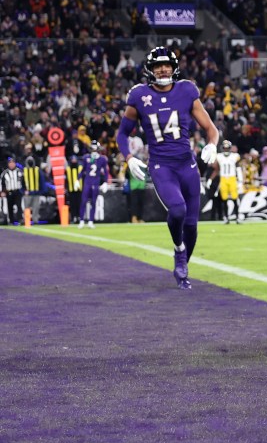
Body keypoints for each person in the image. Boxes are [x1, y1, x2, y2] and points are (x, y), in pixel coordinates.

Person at [118, 46, 220, 290]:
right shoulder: (139, 95)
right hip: (162, 165)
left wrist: (213, 145)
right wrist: (129, 157)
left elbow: (211, 128)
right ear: (150, 69)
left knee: (192, 225)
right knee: (177, 210)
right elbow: (122, 133)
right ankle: (178, 249)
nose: (162, 69)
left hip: (188, 164)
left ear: (174, 68)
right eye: (157, 66)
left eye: (166, 65)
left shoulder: (186, 90)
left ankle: (183, 266)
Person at [79, 141, 109, 228]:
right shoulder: (86, 158)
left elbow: (106, 172)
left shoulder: (102, 159)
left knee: (94, 202)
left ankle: (91, 221)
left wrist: (106, 182)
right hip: (88, 182)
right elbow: (83, 170)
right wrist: (78, 179)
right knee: (83, 201)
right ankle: (81, 220)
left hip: (95, 183)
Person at [211, 141, 241, 224]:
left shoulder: (235, 156)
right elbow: (215, 167)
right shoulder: (219, 156)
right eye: (225, 147)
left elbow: (238, 168)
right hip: (223, 178)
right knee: (224, 199)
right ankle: (226, 217)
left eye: (227, 147)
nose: (226, 149)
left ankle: (237, 217)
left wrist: (240, 180)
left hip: (232, 178)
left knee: (235, 198)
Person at [1, 156, 23, 225]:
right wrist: (3, 191)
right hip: (9, 192)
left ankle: (20, 220)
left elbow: (24, 182)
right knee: (10, 207)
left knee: (19, 206)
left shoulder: (19, 171)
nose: (11, 164)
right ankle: (11, 221)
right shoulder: (5, 173)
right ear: (8, 164)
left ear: (15, 163)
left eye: (13, 163)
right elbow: (2, 183)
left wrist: (24, 189)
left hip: (17, 191)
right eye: (10, 163)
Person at [65, 153, 83, 224]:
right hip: (71, 190)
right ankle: (73, 217)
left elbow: (84, 178)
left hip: (79, 189)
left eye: (75, 159)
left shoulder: (80, 168)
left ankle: (79, 217)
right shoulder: (68, 169)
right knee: (72, 205)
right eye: (73, 160)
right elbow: (66, 180)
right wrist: (66, 188)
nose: (74, 161)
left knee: (79, 204)